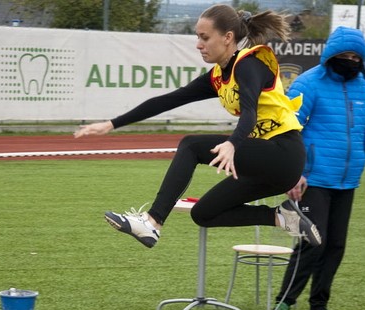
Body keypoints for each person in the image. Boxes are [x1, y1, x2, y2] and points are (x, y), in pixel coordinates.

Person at [74, 4, 321, 251]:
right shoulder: (217, 76)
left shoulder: (249, 64)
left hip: (284, 154)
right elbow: (169, 100)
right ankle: (282, 217)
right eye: (197, 37)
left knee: (191, 145)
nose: (198, 45)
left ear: (227, 37)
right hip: (267, 163)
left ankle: (152, 222)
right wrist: (111, 124)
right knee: (204, 213)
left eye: (205, 37)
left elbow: (249, 112)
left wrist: (232, 144)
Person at [268, 26, 365, 310]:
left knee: (335, 246)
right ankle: (282, 305)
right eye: (344, 55)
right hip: (312, 179)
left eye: (356, 57)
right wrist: (294, 172)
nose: (350, 61)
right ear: (330, 55)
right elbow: (287, 128)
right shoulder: (308, 83)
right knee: (312, 241)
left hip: (347, 181)